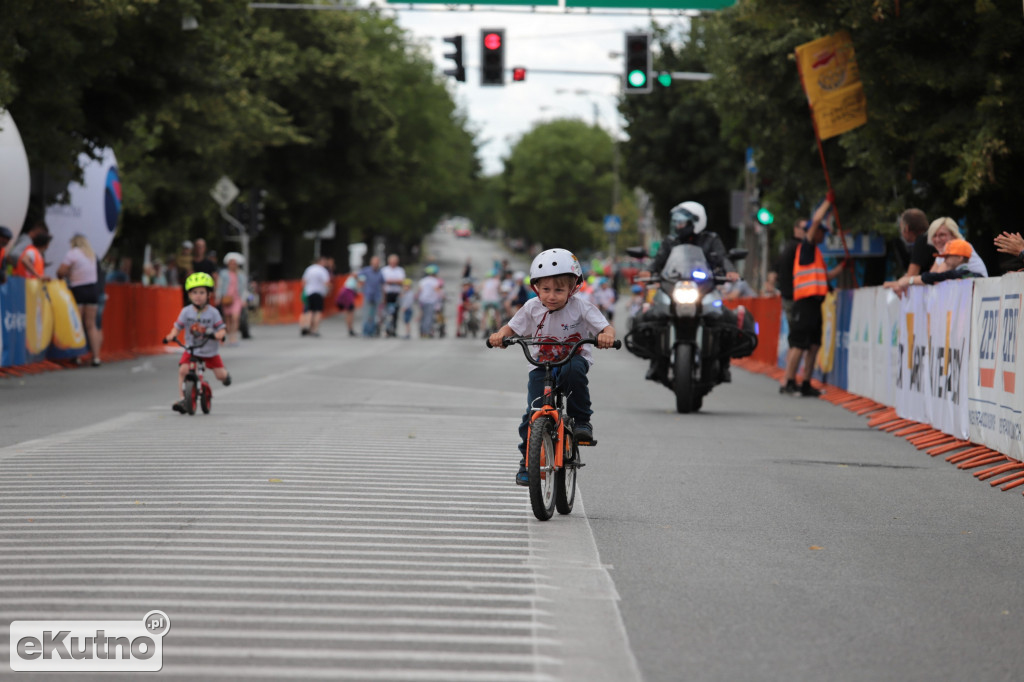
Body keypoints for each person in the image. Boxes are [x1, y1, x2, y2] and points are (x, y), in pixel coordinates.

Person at [487, 248, 616, 486]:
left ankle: (581, 421)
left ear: (573, 288)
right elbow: (511, 328)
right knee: (532, 412)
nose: (552, 296)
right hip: (541, 364)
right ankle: (527, 461)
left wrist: (606, 336)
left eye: (559, 290)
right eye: (546, 289)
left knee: (573, 373)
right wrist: (499, 336)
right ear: (536, 288)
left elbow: (606, 328)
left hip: (573, 358)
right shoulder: (531, 307)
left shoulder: (581, 307)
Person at [639, 200, 740, 383]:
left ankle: (723, 363)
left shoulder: (711, 240)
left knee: (727, 320)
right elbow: (659, 260)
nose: (678, 225)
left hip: (704, 290)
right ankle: (656, 361)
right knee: (649, 318)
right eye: (676, 221)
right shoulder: (671, 241)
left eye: (682, 221)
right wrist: (649, 270)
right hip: (674, 290)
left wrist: (729, 270)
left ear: (697, 221)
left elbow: (722, 259)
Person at [780, 195, 848, 397]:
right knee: (799, 344)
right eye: (822, 233)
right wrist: (828, 202)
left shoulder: (816, 253)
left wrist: (842, 267)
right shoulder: (806, 247)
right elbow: (816, 220)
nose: (824, 236)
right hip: (804, 303)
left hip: (815, 303)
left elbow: (824, 277)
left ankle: (806, 381)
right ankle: (789, 381)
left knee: (814, 344)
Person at [163, 272, 231, 413]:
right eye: (194, 292)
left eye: (202, 292)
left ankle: (226, 377)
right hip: (192, 349)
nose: (198, 295)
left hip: (209, 351)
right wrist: (171, 335)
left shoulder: (213, 313)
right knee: (183, 370)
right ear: (189, 295)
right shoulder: (186, 312)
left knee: (220, 375)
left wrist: (219, 335)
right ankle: (183, 399)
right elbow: (178, 327)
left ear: (208, 295)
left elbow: (222, 329)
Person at [56, 233, 103, 366]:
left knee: (78, 324)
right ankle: (96, 357)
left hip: (79, 289)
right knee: (91, 325)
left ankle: (77, 356)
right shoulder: (91, 255)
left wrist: (68, 273)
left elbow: (60, 272)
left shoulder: (73, 253)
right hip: (92, 290)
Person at [884, 239, 984, 294]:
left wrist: (909, 280)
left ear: (960, 258)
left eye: (948, 256)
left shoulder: (961, 274)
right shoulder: (975, 275)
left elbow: (931, 277)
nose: (944, 260)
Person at [216, 252, 248, 345]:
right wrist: (218, 297)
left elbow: (244, 288)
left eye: (234, 263)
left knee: (235, 317)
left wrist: (244, 299)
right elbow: (219, 286)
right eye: (231, 263)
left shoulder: (241, 275)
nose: (233, 265)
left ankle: (234, 335)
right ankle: (229, 336)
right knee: (228, 318)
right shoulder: (223, 274)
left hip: (237, 298)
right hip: (226, 298)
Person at [299, 255, 331, 337]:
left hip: (309, 292)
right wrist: (329, 290)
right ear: (320, 262)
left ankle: (307, 326)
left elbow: (303, 281)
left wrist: (304, 290)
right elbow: (326, 282)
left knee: (309, 310)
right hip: (318, 292)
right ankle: (315, 329)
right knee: (318, 311)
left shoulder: (309, 269)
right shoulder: (322, 270)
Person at [379, 254, 406, 337]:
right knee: (385, 312)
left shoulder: (400, 270)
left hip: (396, 294)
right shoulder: (384, 270)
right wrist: (395, 281)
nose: (393, 263)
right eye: (392, 262)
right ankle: (386, 329)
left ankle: (394, 329)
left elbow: (402, 282)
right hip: (387, 294)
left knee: (395, 313)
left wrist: (391, 281)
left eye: (395, 262)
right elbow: (383, 282)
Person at [900, 208, 931, 277]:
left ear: (907, 228)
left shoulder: (922, 241)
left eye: (901, 228)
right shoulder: (928, 238)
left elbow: (911, 276)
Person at [359, 255, 384, 336]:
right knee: (366, 314)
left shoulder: (380, 272)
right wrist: (362, 284)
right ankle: (365, 331)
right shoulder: (366, 271)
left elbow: (383, 284)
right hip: (368, 295)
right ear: (371, 263)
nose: (376, 264)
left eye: (377, 263)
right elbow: (359, 277)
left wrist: (384, 297)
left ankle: (372, 331)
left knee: (375, 315)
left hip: (377, 295)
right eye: (374, 263)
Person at [417, 264, 444, 338]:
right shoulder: (434, 281)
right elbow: (437, 290)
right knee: (428, 317)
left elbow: (419, 291)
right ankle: (427, 332)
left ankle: (422, 332)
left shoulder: (423, 281)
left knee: (423, 316)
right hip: (430, 301)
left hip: (422, 301)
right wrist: (444, 296)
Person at [334, 272, 359, 336]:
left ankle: (350, 328)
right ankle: (350, 329)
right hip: (348, 299)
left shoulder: (349, 280)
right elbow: (357, 289)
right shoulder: (352, 280)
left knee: (348, 313)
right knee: (350, 313)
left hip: (347, 299)